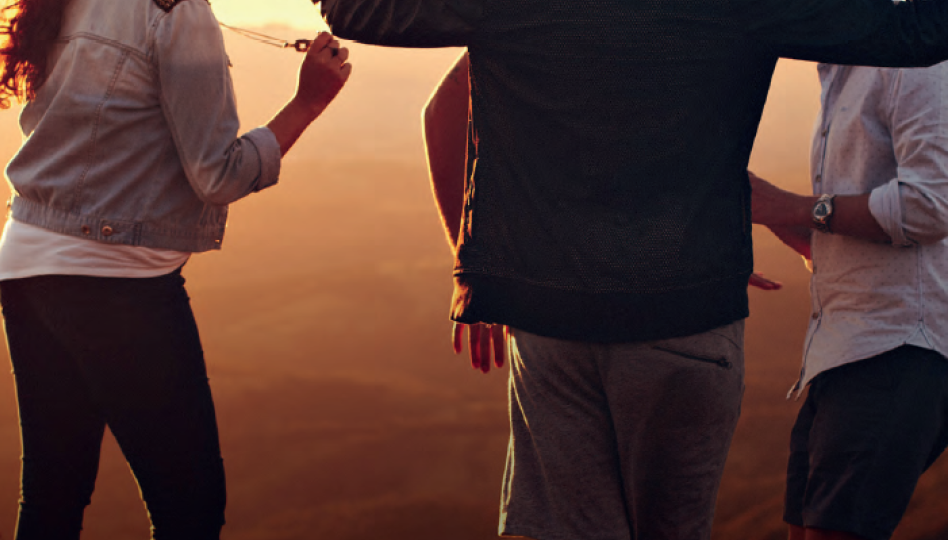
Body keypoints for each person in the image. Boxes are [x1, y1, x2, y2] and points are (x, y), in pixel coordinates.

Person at [314, 0, 948, 538]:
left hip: (552, 321)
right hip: (689, 320)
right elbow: (918, 33)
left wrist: (474, 262)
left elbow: (354, 10)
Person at [0, 0, 350, 538]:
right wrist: (309, 102)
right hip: (114, 280)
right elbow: (219, 175)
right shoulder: (177, 11)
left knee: (52, 495)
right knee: (191, 508)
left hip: (25, 263)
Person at [749, 60, 948, 540]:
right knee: (803, 531)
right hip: (840, 351)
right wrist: (776, 216)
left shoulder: (915, 64)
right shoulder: (841, 74)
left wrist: (792, 206)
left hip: (896, 348)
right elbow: (850, 237)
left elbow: (929, 207)